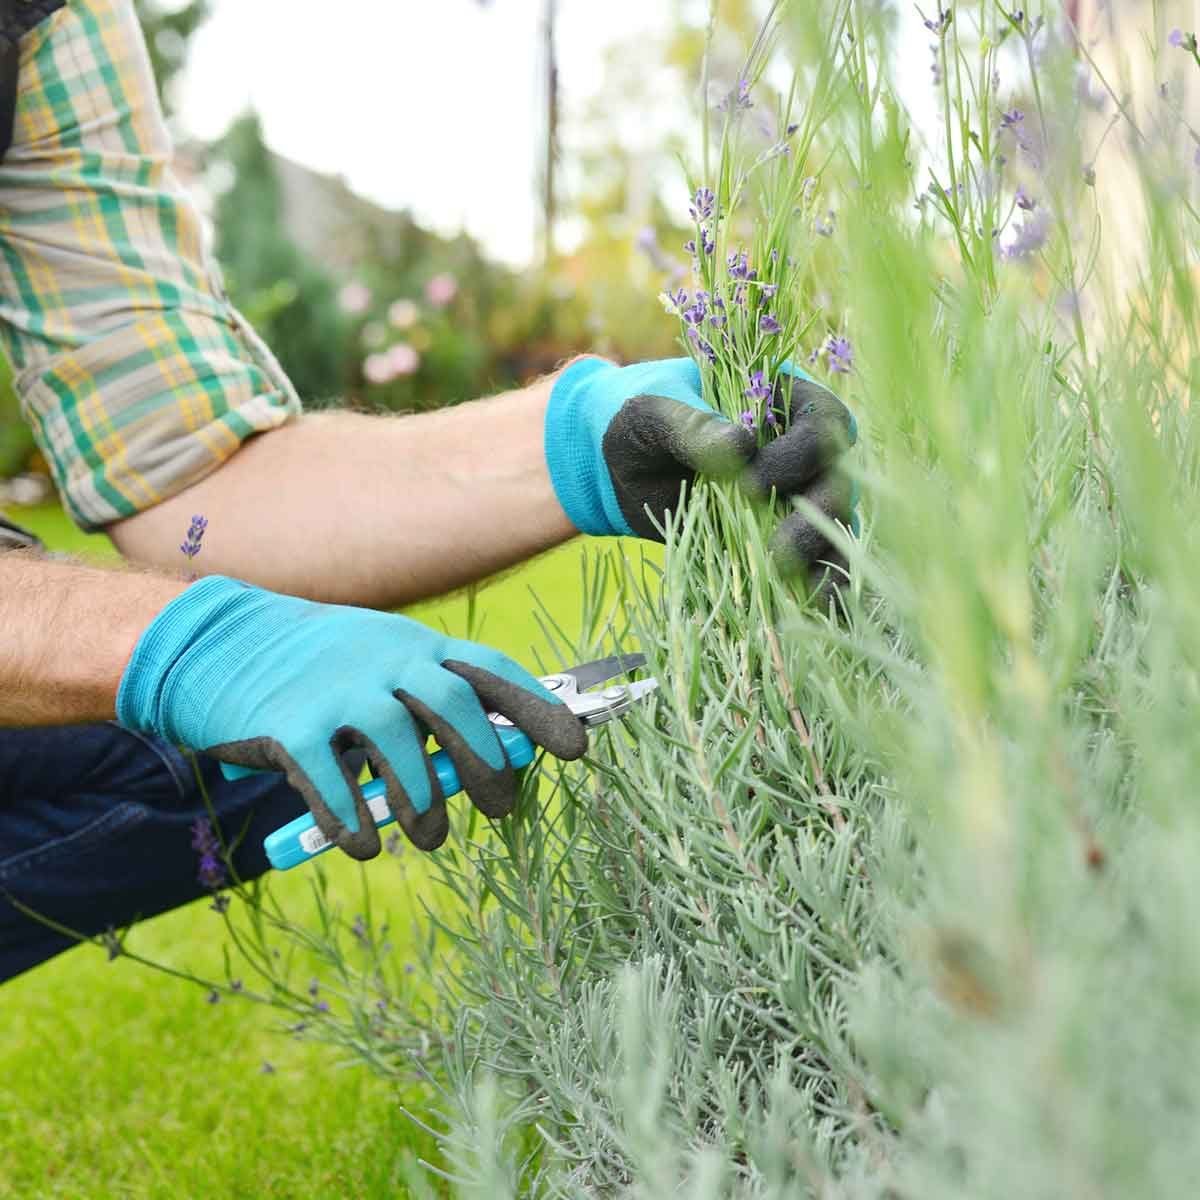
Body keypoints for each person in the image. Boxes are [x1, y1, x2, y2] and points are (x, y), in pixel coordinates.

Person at [0, 0, 855, 982]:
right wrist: (189, 644)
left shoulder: (47, 23)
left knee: (252, 760)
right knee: (190, 708)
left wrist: (574, 444)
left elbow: (190, 484)